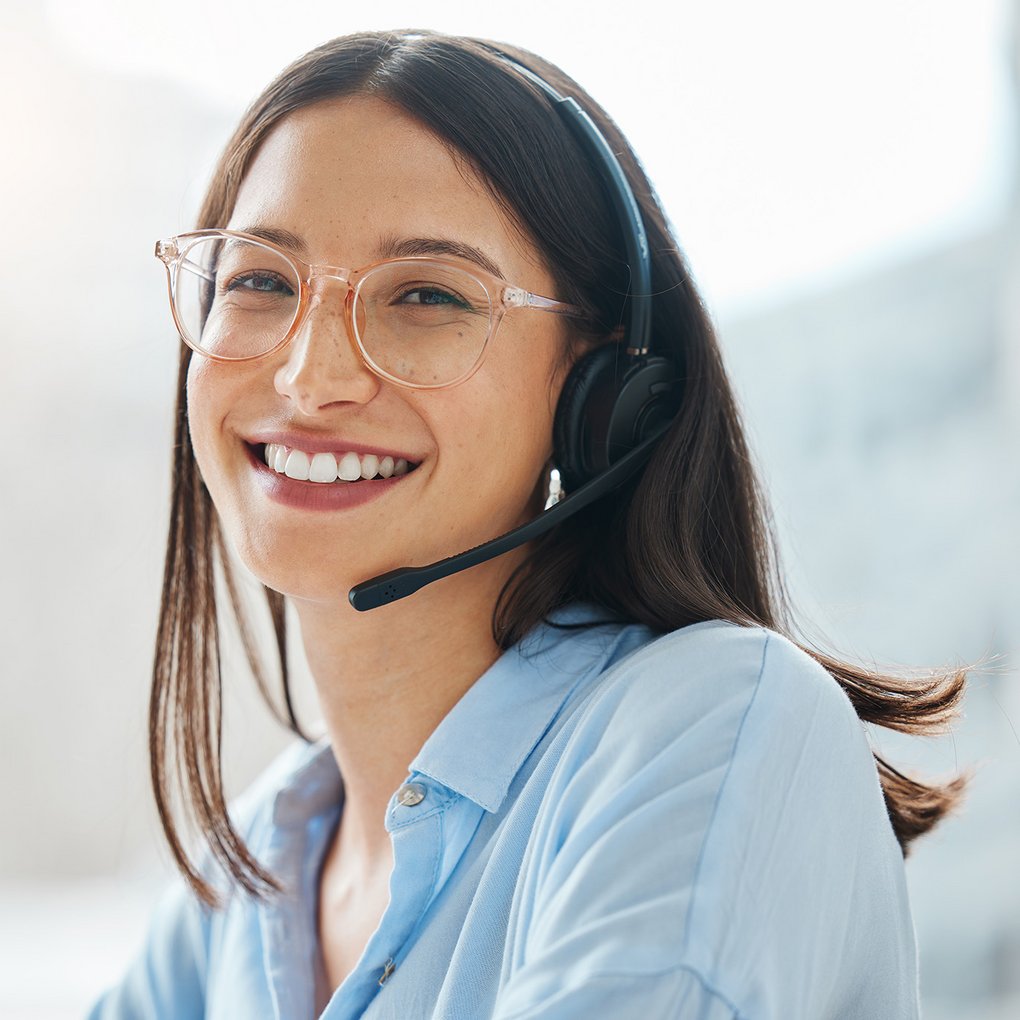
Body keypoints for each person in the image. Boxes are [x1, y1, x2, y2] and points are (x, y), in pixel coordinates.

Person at [88, 29, 968, 1020]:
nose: (309, 378)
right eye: (259, 282)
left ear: (603, 389)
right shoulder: (244, 882)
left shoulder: (719, 729)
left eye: (425, 295)